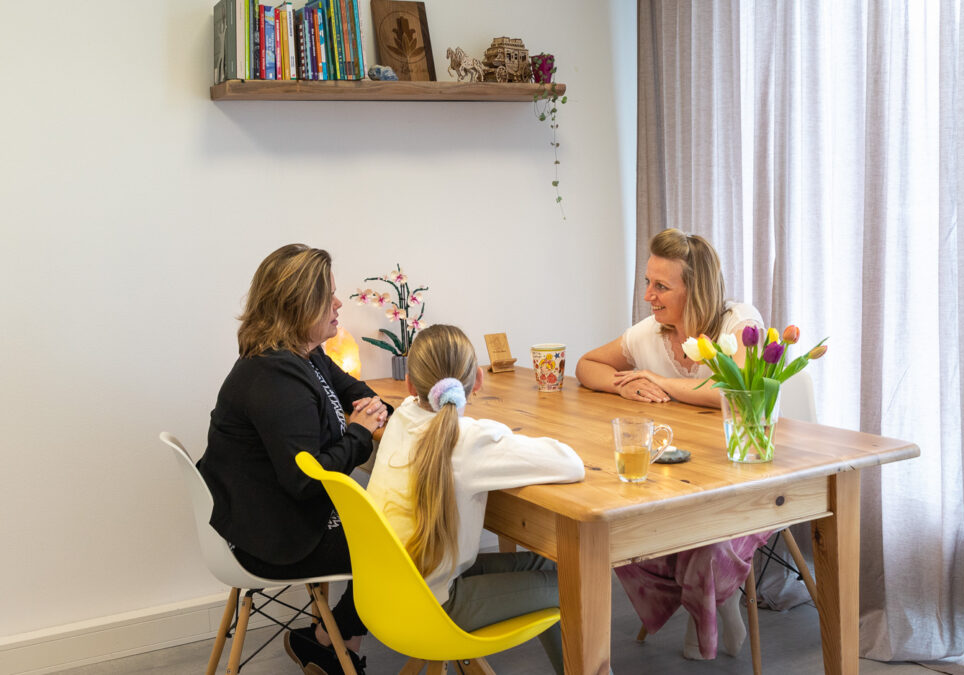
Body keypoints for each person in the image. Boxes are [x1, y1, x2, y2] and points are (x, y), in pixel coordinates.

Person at [575, 227, 769, 661]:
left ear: (695, 291)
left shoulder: (740, 323)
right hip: (681, 470)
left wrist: (660, 381)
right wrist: (624, 386)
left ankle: (712, 607)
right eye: (648, 282)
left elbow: (732, 390)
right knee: (621, 521)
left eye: (661, 286)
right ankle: (706, 604)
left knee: (708, 534)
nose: (648, 295)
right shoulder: (651, 333)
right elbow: (587, 365)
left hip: (748, 466)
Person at [198, 244, 390, 675]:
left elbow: (355, 391)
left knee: (398, 524)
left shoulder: (305, 356)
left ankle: (329, 641)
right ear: (298, 305)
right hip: (271, 537)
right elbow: (307, 481)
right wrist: (360, 432)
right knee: (410, 539)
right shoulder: (274, 376)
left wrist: (378, 411)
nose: (339, 305)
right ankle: (333, 639)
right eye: (328, 298)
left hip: (264, 515)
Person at [367, 324, 585, 674]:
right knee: (579, 586)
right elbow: (571, 463)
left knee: (550, 568)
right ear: (478, 380)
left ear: (410, 385)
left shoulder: (402, 415)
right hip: (433, 607)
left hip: (385, 595)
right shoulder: (470, 440)